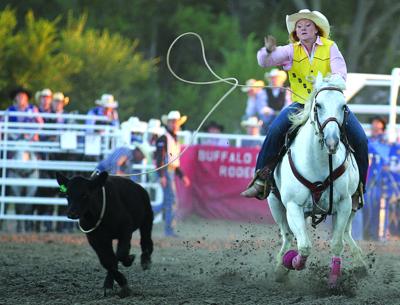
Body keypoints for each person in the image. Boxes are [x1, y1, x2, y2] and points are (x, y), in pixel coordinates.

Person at [241, 9, 369, 210]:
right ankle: (261, 180)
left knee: (360, 138)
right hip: (300, 104)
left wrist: (326, 87)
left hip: (329, 104)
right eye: (299, 26)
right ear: (295, 32)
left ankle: (358, 188)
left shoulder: (330, 47)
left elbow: (340, 74)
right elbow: (265, 62)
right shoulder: (291, 50)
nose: (302, 29)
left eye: (307, 25)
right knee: (275, 131)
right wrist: (267, 51)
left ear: (316, 29)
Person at [155, 110, 191, 237]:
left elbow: (174, 162)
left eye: (176, 122)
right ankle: (169, 230)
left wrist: (182, 176)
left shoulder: (174, 139)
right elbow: (160, 158)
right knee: (171, 201)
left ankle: (144, 214)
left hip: (169, 171)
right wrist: (161, 175)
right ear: (168, 123)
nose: (174, 124)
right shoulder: (164, 138)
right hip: (165, 172)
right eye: (172, 122)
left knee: (167, 202)